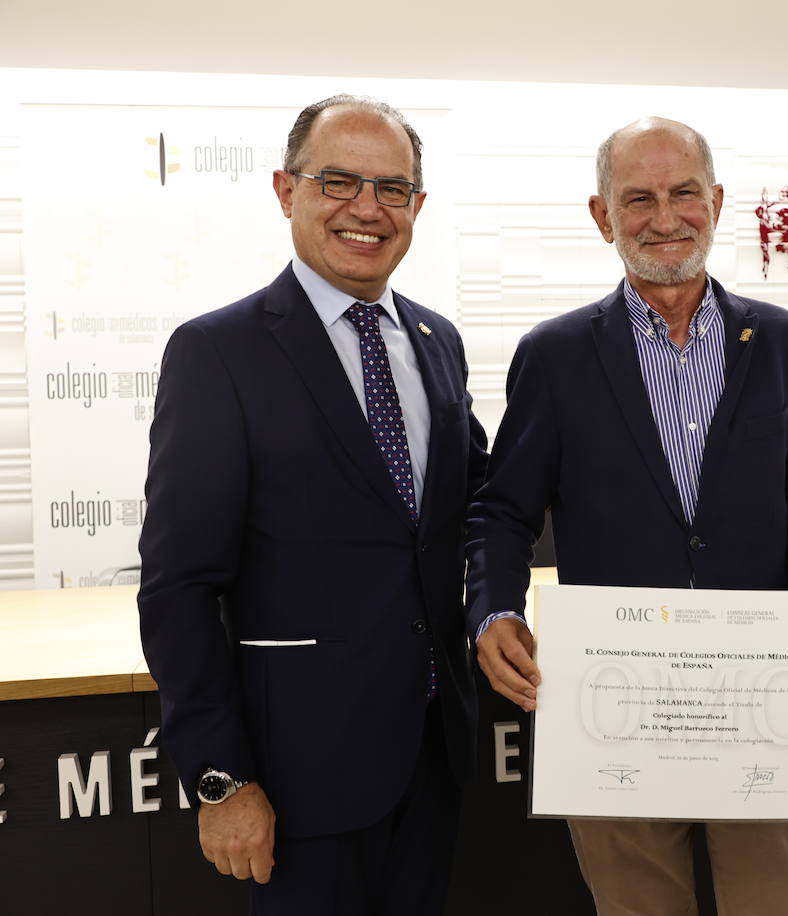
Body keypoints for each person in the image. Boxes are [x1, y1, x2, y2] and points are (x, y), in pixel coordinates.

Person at [465, 116, 788, 916]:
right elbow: (501, 511)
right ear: (601, 215)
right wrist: (493, 610)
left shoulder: (787, 344)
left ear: (716, 202)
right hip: (613, 702)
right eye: (638, 198)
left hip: (766, 694)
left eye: (684, 193)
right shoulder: (555, 355)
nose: (664, 216)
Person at [137, 95, 488, 915]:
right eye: (338, 181)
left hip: (433, 757)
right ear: (284, 190)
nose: (367, 209)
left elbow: (476, 504)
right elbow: (180, 586)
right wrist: (221, 781)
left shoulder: (438, 343)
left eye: (392, 189)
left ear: (418, 207)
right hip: (295, 779)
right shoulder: (217, 353)